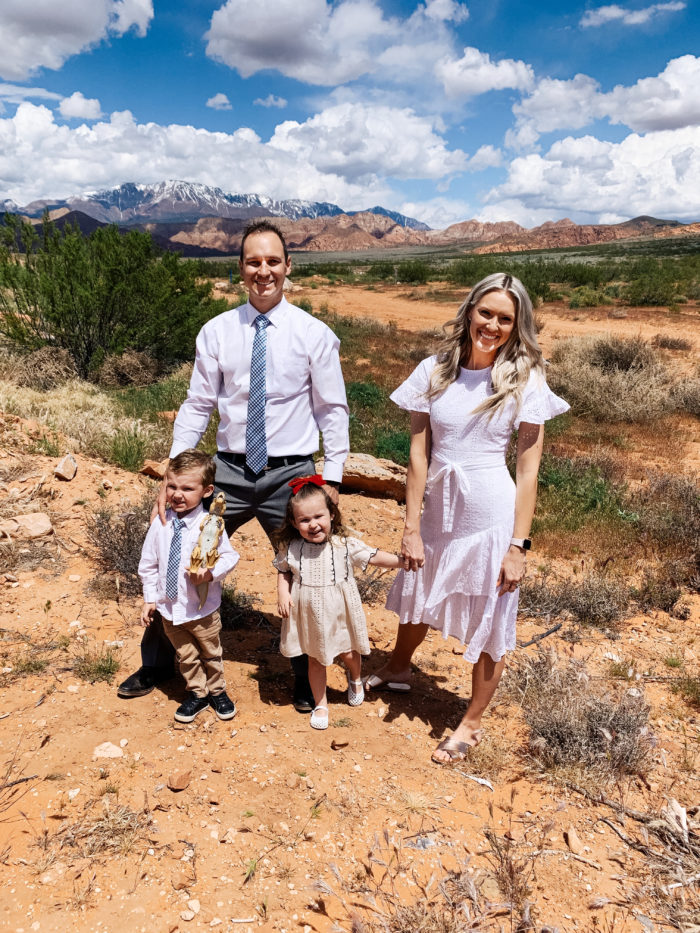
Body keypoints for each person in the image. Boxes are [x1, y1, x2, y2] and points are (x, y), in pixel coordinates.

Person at [118, 221, 349, 711]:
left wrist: (330, 478)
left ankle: (304, 676)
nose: (263, 271)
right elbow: (198, 404)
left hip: (293, 475)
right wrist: (173, 475)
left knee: (306, 573)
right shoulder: (217, 332)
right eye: (252, 262)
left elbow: (333, 410)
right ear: (240, 269)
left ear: (288, 266)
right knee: (178, 550)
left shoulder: (314, 334)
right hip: (228, 473)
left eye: (272, 261)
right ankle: (156, 663)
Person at [364, 272, 569, 764]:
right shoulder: (433, 370)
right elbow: (418, 456)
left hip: (491, 517)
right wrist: (410, 527)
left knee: (491, 614)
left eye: (505, 319)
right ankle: (397, 667)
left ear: (517, 327)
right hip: (439, 509)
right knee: (420, 583)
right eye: (486, 313)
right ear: (469, 311)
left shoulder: (526, 379)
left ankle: (471, 721)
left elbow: (528, 469)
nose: (492, 325)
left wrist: (518, 545)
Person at [273, 475, 402, 730]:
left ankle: (355, 678)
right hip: (308, 614)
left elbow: (374, 556)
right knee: (315, 659)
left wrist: (402, 561)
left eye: (319, 517)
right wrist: (283, 593)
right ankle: (321, 704)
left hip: (339, 611)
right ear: (293, 522)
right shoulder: (292, 547)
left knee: (348, 652)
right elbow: (283, 570)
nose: (313, 525)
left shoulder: (344, 544)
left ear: (331, 514)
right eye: (304, 520)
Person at [138, 450, 239, 723]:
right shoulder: (160, 524)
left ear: (206, 491)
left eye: (187, 488)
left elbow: (230, 556)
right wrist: (150, 599)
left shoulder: (211, 525)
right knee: (186, 656)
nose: (177, 494)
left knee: (211, 653)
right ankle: (198, 693)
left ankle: (217, 691)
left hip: (202, 607)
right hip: (170, 609)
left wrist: (210, 574)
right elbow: (149, 564)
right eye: (172, 486)